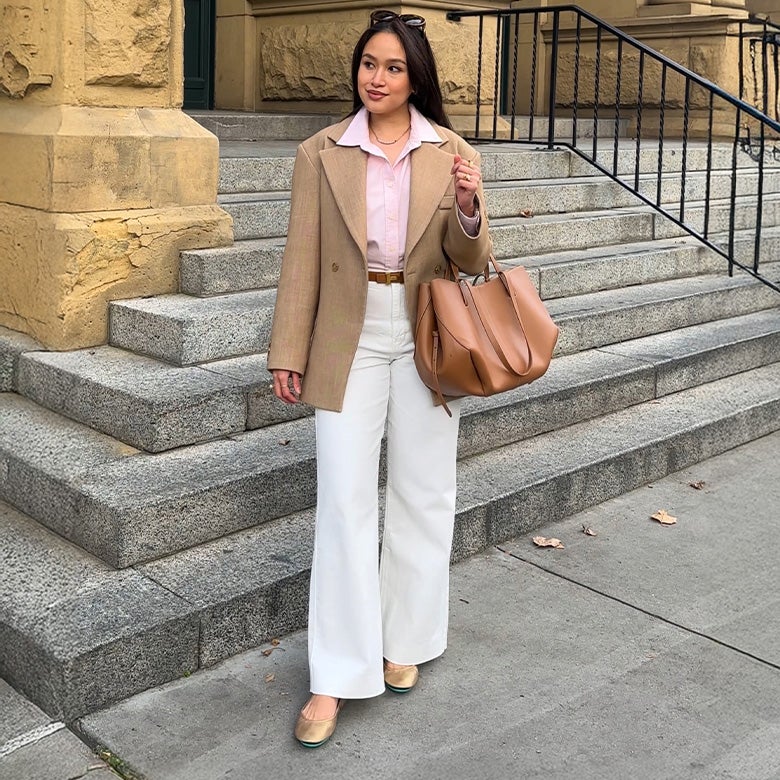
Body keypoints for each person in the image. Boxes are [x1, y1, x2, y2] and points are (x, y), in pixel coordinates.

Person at [268, 8, 492, 748]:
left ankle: (407, 640)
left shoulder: (450, 148)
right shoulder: (321, 151)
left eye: (394, 67)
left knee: (425, 491)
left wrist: (467, 207)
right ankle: (334, 675)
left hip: (425, 329)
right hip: (348, 334)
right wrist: (287, 350)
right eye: (370, 64)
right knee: (342, 499)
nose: (378, 78)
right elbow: (301, 257)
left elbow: (473, 263)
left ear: (415, 76)